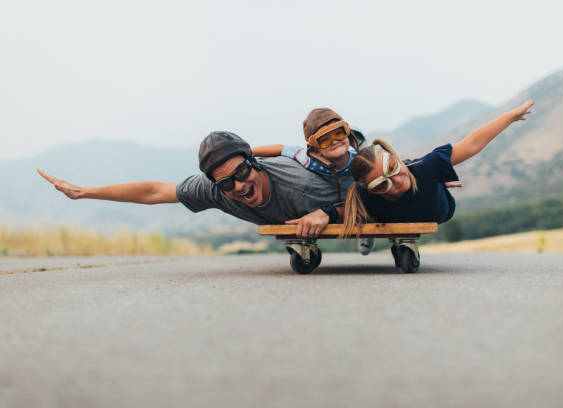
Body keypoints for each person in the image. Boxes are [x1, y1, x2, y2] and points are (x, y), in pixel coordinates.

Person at [38, 131, 342, 239]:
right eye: (225, 183)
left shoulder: (303, 186)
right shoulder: (216, 188)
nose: (238, 186)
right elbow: (155, 191)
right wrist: (83, 193)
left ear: (254, 163)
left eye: (242, 173)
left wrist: (328, 212)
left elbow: (362, 194)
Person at [341, 100, 535, 237]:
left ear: (393, 156)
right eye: (383, 184)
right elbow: (339, 209)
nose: (397, 180)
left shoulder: (427, 168)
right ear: (373, 190)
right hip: (396, 210)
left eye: (392, 168)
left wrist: (510, 117)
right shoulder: (364, 195)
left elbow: (472, 144)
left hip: (438, 207)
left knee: (418, 169)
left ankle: (435, 180)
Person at [252, 108, 377, 255]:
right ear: (315, 149)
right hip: (324, 195)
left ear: (348, 134)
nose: (335, 141)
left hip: (355, 195)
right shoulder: (307, 160)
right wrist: (247, 152)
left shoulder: (361, 161)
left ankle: (369, 232)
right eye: (324, 139)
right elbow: (281, 149)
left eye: (339, 133)